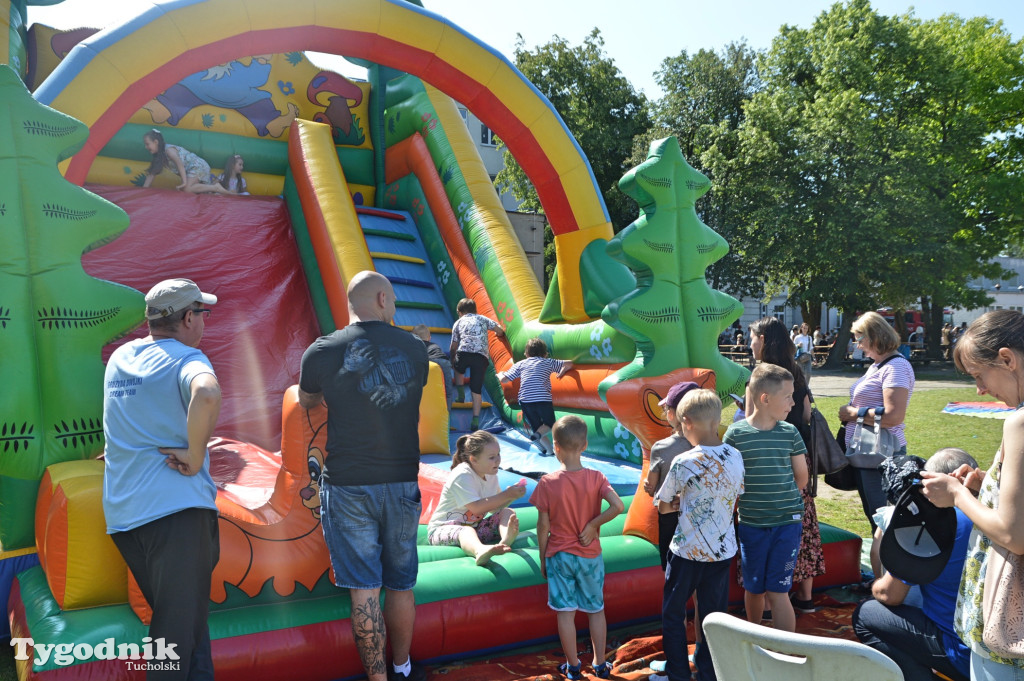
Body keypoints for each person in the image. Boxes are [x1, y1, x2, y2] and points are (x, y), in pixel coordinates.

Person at [298, 271, 429, 681]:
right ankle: (403, 667)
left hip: (350, 482)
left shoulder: (321, 350)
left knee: (364, 591)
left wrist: (343, 379)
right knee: (402, 584)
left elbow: (307, 400)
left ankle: (378, 678)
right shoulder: (415, 348)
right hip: (402, 478)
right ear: (383, 299)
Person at [102, 278, 221, 680]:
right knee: (173, 638)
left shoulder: (122, 357)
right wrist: (196, 451)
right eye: (202, 313)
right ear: (188, 317)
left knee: (188, 628)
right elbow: (206, 394)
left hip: (125, 516)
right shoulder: (189, 359)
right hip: (176, 514)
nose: (204, 322)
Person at [921, 309, 1024, 680]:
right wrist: (987, 485)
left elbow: (1015, 534)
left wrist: (957, 494)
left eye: (979, 375)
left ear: (1007, 359)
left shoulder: (1020, 422)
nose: (980, 390)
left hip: (1008, 626)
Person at [853, 448, 977, 681]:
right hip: (1002, 645)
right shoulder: (1000, 517)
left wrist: (874, 585)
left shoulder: (934, 524)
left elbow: (890, 595)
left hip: (962, 650)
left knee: (865, 614)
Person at [651, 389, 745, 681]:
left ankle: (678, 672)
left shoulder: (684, 461)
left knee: (673, 614)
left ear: (687, 422)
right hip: (722, 550)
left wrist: (679, 502)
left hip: (687, 552)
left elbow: (664, 505)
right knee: (712, 617)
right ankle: (709, 672)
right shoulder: (736, 455)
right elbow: (734, 497)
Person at [531, 415, 624, 681]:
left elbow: (542, 527)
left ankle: (573, 667)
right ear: (584, 446)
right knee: (596, 609)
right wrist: (594, 524)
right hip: (589, 556)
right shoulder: (596, 478)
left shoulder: (548, 483)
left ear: (556, 446)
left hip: (560, 556)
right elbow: (618, 506)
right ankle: (600, 663)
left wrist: (542, 558)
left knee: (565, 613)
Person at [747, 317, 825, 614]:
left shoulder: (759, 377)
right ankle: (805, 596)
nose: (750, 342)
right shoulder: (796, 372)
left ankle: (767, 602)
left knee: (768, 523)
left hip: (765, 459)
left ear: (763, 339)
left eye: (753, 337)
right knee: (801, 522)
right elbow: (805, 414)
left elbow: (750, 416)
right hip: (796, 455)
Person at [724, 363, 809, 633]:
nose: (793, 402)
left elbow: (802, 478)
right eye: (788, 396)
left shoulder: (790, 433)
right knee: (754, 587)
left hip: (787, 524)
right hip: (752, 525)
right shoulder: (735, 434)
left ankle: (785, 651)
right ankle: (756, 638)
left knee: (778, 591)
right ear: (765, 398)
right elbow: (728, 478)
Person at [838, 311, 915, 532]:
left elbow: (893, 416)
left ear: (874, 336)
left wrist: (853, 414)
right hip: (869, 452)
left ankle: (887, 566)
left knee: (883, 519)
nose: (857, 344)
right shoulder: (879, 365)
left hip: (880, 452)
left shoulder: (895, 367)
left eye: (859, 338)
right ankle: (883, 564)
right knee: (877, 517)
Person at [426, 431, 524, 565]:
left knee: (508, 512)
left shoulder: (491, 475)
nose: (498, 460)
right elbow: (476, 508)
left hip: (475, 528)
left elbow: (495, 508)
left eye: (498, 454)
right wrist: (506, 495)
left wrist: (511, 497)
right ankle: (479, 551)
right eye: (491, 457)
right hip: (442, 530)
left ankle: (505, 541)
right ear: (474, 459)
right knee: (466, 531)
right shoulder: (463, 475)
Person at [643, 381, 698, 570]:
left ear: (672, 414)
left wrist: (648, 486)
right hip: (702, 517)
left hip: (671, 517)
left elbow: (652, 489)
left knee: (673, 571)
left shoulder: (661, 448)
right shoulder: (713, 447)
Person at [497, 337, 573, 455]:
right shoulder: (548, 362)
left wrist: (500, 374)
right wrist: (561, 371)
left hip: (526, 400)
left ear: (526, 353)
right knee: (549, 424)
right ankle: (537, 436)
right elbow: (569, 363)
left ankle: (548, 451)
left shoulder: (521, 364)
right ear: (544, 353)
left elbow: (505, 380)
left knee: (537, 427)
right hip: (542, 398)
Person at [449, 298, 505, 431]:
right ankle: (475, 419)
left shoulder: (458, 322)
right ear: (475, 310)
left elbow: (453, 346)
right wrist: (499, 334)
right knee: (476, 390)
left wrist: (453, 360)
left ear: (460, 312)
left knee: (458, 368)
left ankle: (461, 394)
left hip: (464, 352)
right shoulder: (483, 319)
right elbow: (499, 330)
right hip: (481, 357)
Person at [142, 129, 230, 195]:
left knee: (187, 189)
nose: (146, 147)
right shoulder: (159, 156)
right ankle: (213, 188)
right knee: (201, 193)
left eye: (147, 144)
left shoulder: (169, 151)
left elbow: (180, 165)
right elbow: (151, 174)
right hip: (193, 169)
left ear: (156, 142)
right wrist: (143, 191)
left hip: (198, 166)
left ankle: (215, 187)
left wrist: (184, 182)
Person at [412, 324, 454, 416]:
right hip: (444, 362)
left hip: (429, 361)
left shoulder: (416, 346)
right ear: (429, 337)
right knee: (448, 391)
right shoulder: (435, 345)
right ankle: (447, 415)